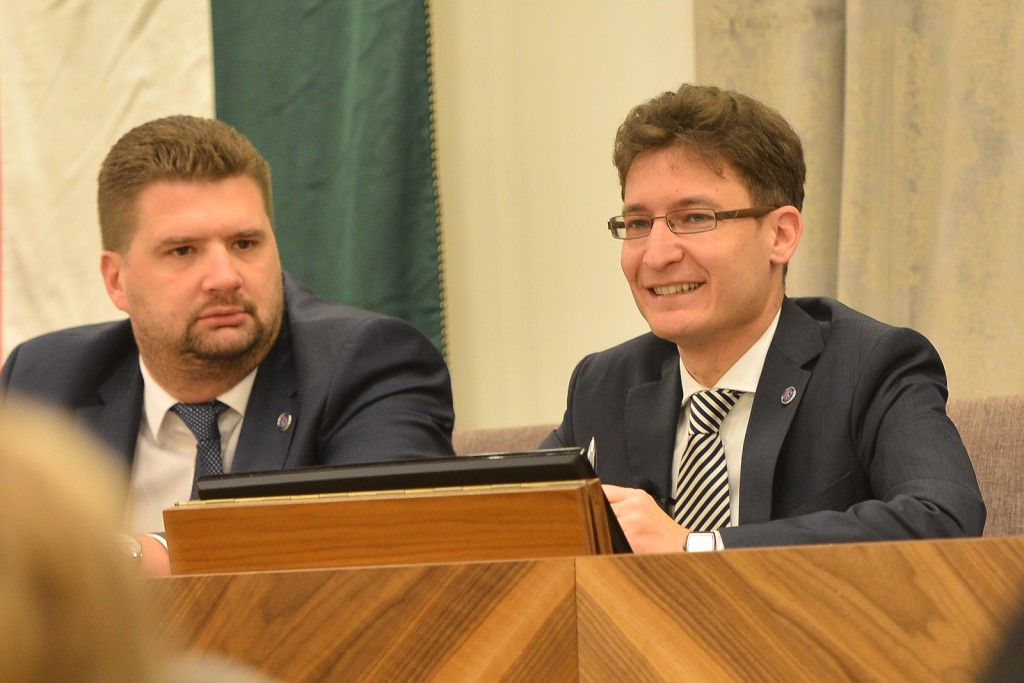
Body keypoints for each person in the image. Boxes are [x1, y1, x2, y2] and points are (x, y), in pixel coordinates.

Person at [1, 115, 455, 575]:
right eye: (183, 251)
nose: (224, 277)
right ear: (117, 280)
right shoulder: (43, 380)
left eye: (244, 244)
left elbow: (385, 549)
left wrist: (136, 558)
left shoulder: (370, 362)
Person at [541, 83, 985, 553]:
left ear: (780, 234)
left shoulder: (870, 366)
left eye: (695, 218)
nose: (656, 254)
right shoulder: (602, 385)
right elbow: (505, 518)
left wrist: (698, 547)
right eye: (637, 224)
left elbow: (943, 517)